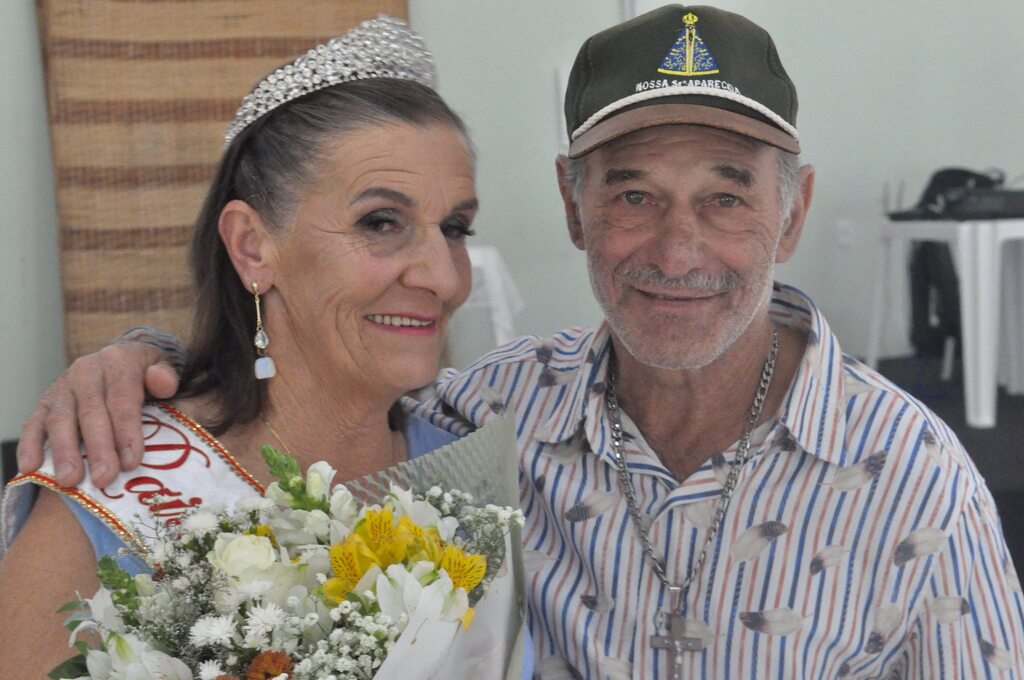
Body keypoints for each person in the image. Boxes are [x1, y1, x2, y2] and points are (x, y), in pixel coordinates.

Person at [13, 4, 1024, 678]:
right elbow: (293, 399)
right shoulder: (494, 416)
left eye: (727, 197)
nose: (679, 248)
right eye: (632, 194)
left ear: (793, 210)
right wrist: (140, 361)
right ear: (573, 208)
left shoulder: (914, 481)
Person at [0, 17, 494, 675]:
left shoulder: (479, 472)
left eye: (455, 227)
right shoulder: (115, 484)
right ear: (253, 247)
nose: (444, 278)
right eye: (381, 222)